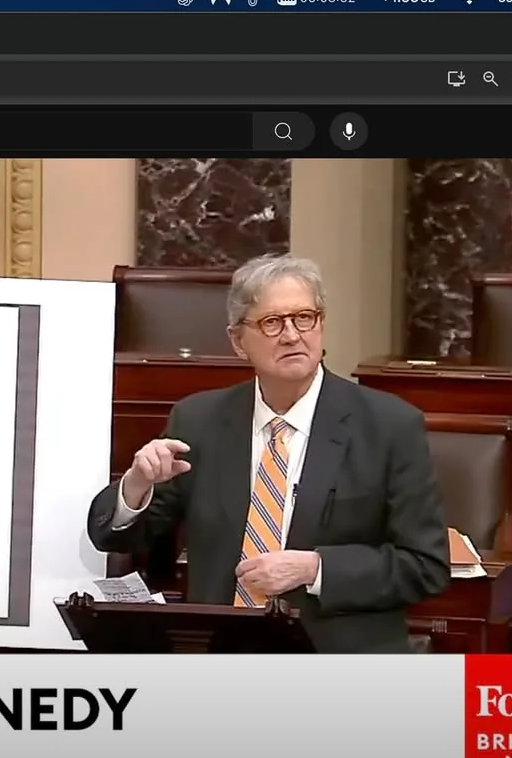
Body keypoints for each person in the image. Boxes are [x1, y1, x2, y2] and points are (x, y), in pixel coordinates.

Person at [86, 253, 451, 654]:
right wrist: (136, 486)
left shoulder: (388, 426)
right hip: (223, 659)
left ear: (322, 325)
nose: (292, 336)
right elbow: (116, 535)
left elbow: (425, 566)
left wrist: (316, 569)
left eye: (304, 318)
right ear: (239, 341)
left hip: (336, 661)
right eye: (272, 323)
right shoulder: (199, 420)